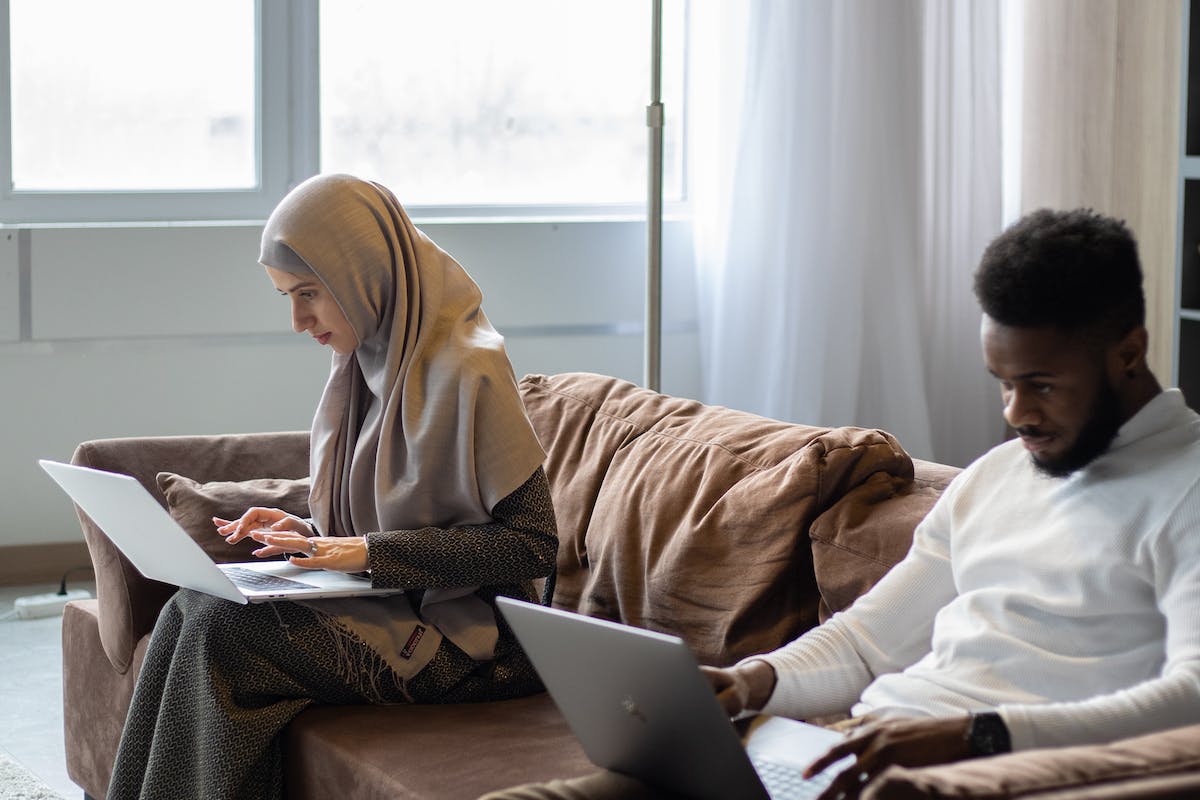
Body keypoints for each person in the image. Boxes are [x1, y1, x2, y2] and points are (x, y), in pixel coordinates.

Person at [483, 208, 1200, 800]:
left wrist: (974, 733)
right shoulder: (1000, 476)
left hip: (987, 777)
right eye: (1001, 382)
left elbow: (1192, 698)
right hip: (855, 760)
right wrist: (748, 683)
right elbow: (867, 642)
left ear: (1128, 353)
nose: (1016, 413)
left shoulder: (1186, 488)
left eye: (1041, 384)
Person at [106, 173, 558, 800]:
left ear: (363, 273)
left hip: (482, 646)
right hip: (398, 601)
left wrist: (366, 555)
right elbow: (400, 513)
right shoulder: (365, 367)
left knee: (221, 631)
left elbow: (531, 547)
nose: (297, 320)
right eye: (287, 296)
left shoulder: (469, 369)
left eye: (310, 293)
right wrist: (315, 535)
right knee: (190, 608)